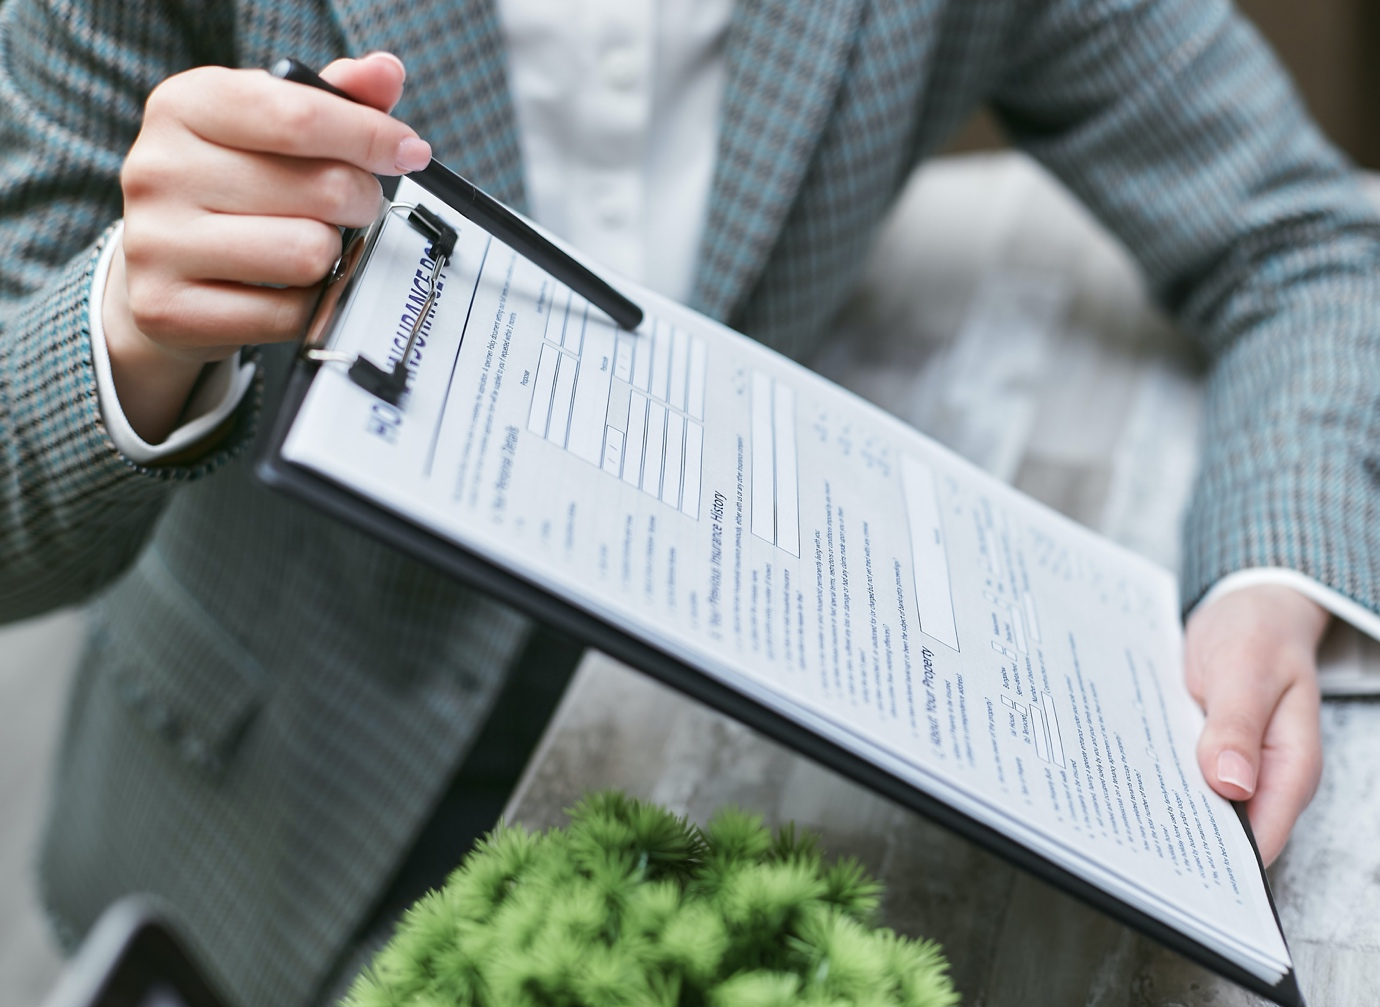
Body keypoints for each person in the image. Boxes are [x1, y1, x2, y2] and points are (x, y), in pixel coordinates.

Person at [0, 0, 1376, 1004]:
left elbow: (1300, 231)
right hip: (246, 816)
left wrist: (1269, 571)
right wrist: (130, 322)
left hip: (718, 810)